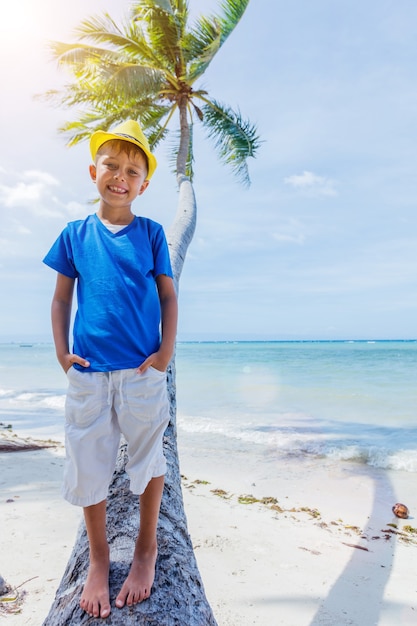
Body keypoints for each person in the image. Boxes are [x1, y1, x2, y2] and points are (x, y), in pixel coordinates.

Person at [43, 120, 178, 619]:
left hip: (142, 371)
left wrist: (165, 353)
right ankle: (99, 559)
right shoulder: (75, 234)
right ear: (93, 171)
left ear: (144, 183)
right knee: (88, 462)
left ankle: (146, 550)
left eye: (132, 171)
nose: (120, 177)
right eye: (112, 167)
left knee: (149, 459)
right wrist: (62, 352)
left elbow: (167, 293)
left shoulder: (152, 232)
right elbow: (60, 299)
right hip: (90, 372)